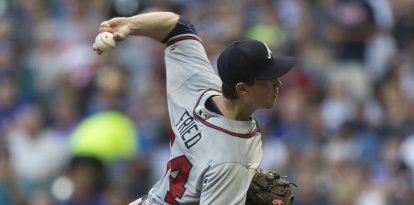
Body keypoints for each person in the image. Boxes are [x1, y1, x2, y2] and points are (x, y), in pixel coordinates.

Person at [93, 11, 294, 205]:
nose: (278, 83)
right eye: (269, 79)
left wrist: (130, 24)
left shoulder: (197, 83)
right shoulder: (233, 158)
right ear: (242, 89)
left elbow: (177, 27)